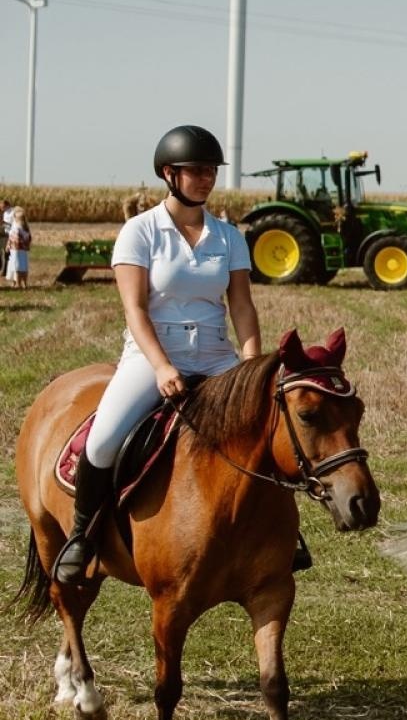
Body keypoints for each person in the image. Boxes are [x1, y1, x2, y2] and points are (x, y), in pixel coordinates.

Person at [54, 125, 263, 585]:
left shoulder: (229, 236)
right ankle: (82, 536)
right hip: (152, 355)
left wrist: (251, 365)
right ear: (169, 174)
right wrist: (162, 366)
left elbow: (242, 306)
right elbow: (135, 308)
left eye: (211, 171)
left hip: (215, 355)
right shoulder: (140, 231)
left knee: (265, 430)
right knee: (102, 440)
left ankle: (278, 535)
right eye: (197, 170)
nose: (207, 178)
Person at [5, 206, 31, 288]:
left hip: (17, 250)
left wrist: (9, 245)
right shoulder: (24, 228)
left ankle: (18, 283)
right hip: (20, 250)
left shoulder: (19, 228)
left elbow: (13, 238)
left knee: (16, 266)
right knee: (20, 266)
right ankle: (21, 283)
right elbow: (28, 239)